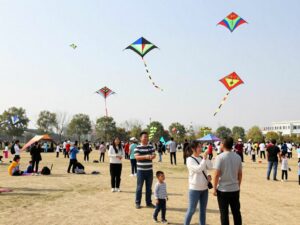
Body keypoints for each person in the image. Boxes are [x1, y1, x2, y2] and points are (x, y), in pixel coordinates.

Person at [213, 137, 243, 225]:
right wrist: (238, 185)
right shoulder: (238, 157)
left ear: (223, 144)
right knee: (236, 212)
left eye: (221, 143)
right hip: (235, 189)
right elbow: (240, 174)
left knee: (224, 213)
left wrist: (214, 189)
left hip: (223, 190)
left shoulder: (220, 157)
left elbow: (216, 175)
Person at [184, 141, 213, 225]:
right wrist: (204, 159)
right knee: (191, 210)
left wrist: (209, 175)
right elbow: (198, 169)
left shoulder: (201, 157)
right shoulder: (189, 159)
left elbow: (210, 167)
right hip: (194, 189)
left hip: (204, 188)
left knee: (203, 211)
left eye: (201, 146)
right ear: (193, 149)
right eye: (199, 147)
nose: (201, 148)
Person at [134, 131, 156, 209]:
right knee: (139, 187)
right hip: (140, 171)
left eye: (147, 137)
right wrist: (146, 157)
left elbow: (154, 155)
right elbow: (137, 157)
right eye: (144, 137)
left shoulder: (151, 146)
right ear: (141, 138)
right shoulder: (137, 147)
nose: (146, 138)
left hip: (149, 170)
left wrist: (152, 156)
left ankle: (148, 202)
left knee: (148, 188)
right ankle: (137, 202)